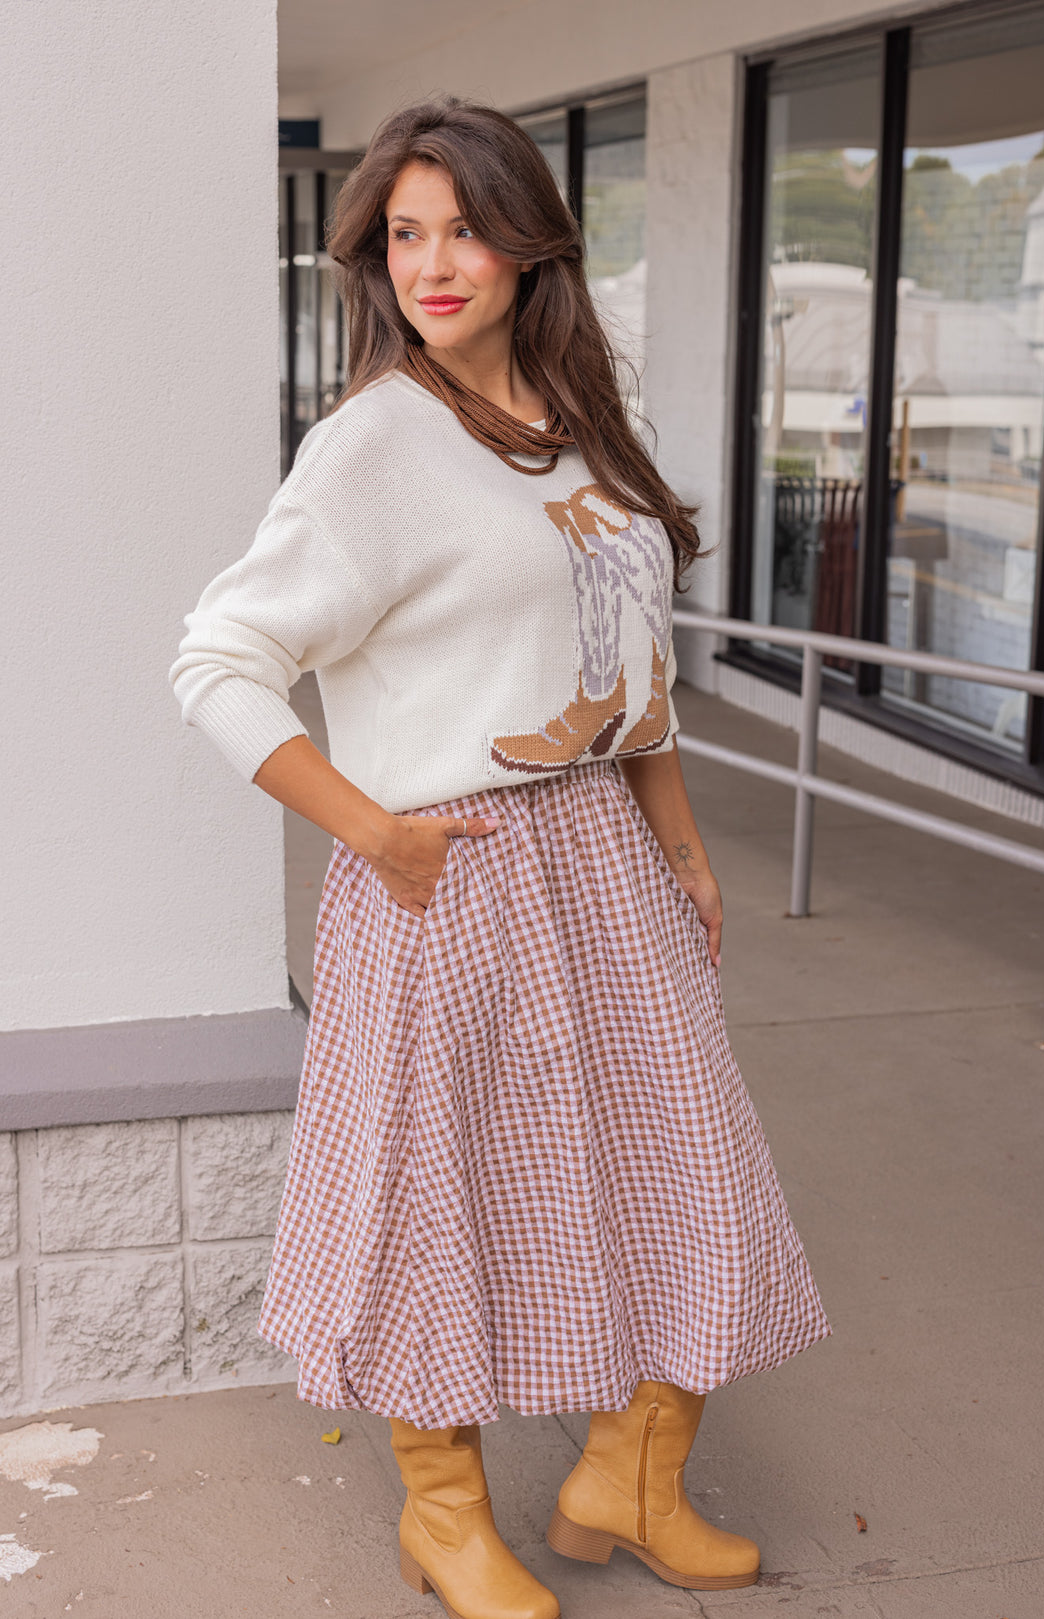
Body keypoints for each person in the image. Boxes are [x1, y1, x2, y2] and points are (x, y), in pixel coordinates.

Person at [169, 95, 829, 1619]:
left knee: (686, 1168)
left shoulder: (577, 421)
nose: (434, 263)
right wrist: (374, 835)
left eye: (463, 227)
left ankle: (633, 1479)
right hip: (451, 868)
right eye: (404, 234)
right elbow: (218, 663)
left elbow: (629, 657)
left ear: (533, 244)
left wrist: (681, 841)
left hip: (607, 854)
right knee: (443, 1190)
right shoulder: (372, 447)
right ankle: (446, 1514)